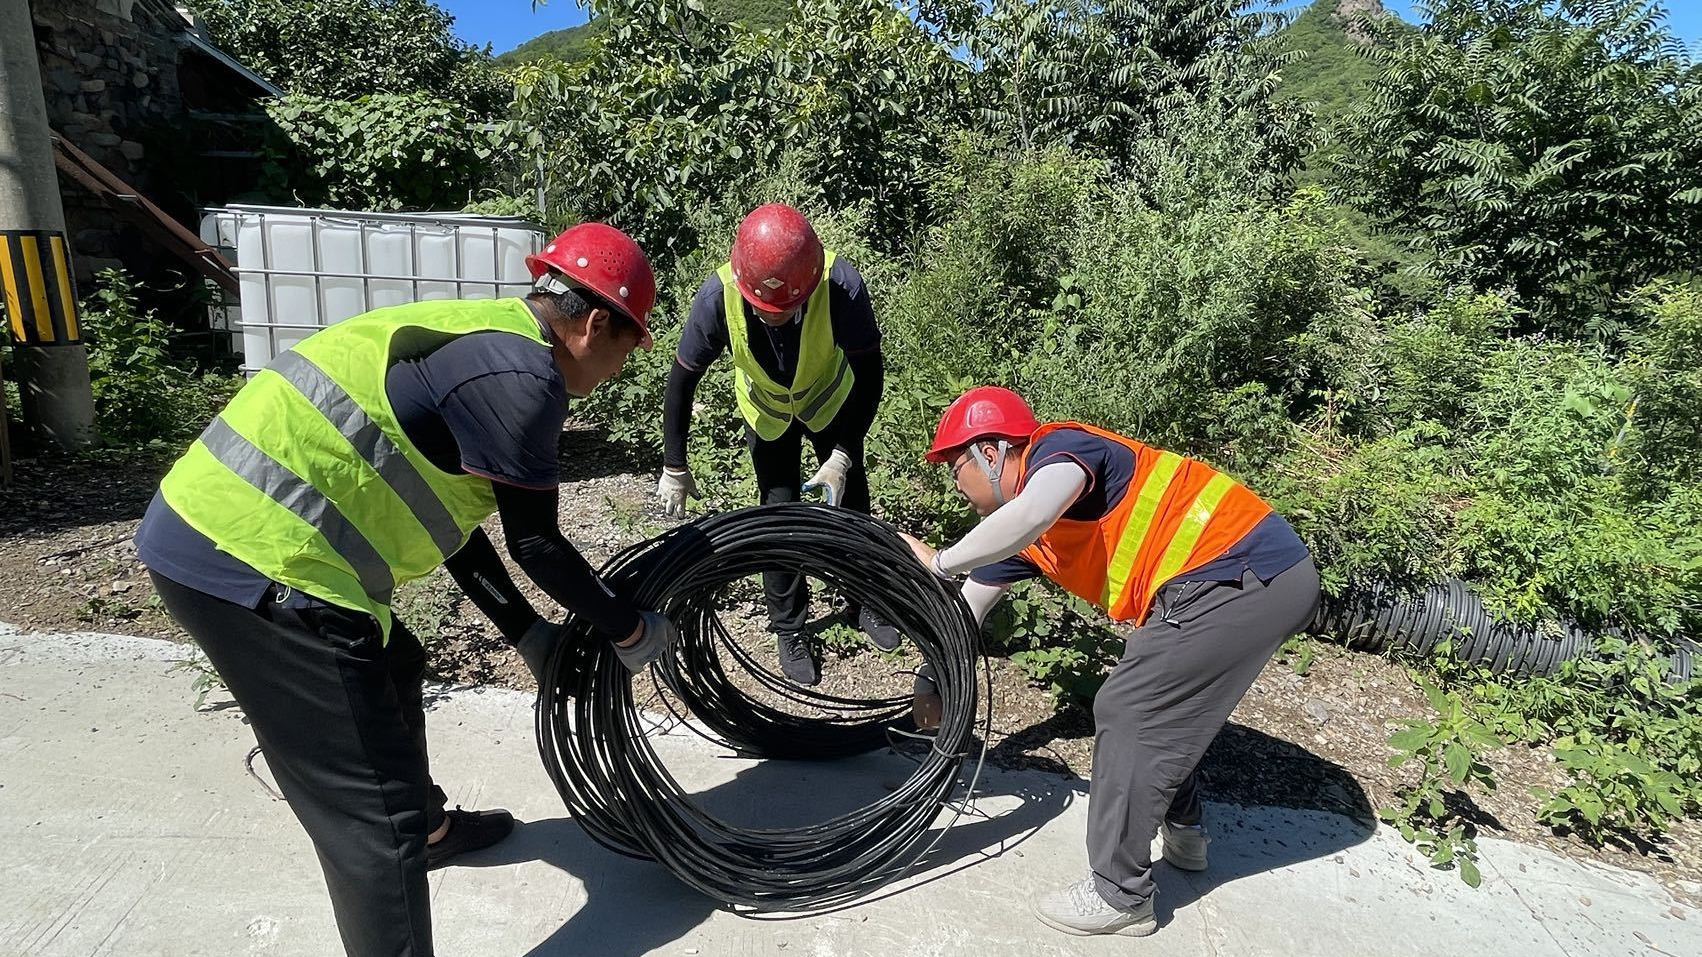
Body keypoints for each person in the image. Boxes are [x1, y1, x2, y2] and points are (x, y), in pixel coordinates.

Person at [134, 223, 680, 957]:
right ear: (595, 324)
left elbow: (448, 517)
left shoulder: (487, 340)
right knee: (371, 819)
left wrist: (528, 634)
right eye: (627, 349)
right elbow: (538, 545)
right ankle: (407, 834)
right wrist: (630, 629)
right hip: (250, 560)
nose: (621, 368)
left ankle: (431, 830)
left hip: (219, 529)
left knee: (393, 661)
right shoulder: (526, 382)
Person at [901, 386, 1320, 939]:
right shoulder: (1027, 538)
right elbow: (965, 612)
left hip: (1242, 570)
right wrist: (930, 677)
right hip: (1228, 582)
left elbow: (1029, 512)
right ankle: (1187, 832)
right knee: (1162, 704)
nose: (955, 484)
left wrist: (943, 561)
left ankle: (1120, 895)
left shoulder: (1061, 451)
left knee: (1129, 707)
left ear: (993, 451)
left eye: (955, 466)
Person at [656, 203, 894, 685]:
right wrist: (675, 465)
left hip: (829, 403)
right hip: (767, 413)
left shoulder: (841, 286)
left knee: (852, 504)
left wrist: (844, 454)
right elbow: (682, 380)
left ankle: (867, 599)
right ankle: (790, 628)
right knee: (779, 513)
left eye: (786, 310)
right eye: (766, 312)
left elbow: (870, 375)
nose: (776, 320)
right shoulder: (716, 297)